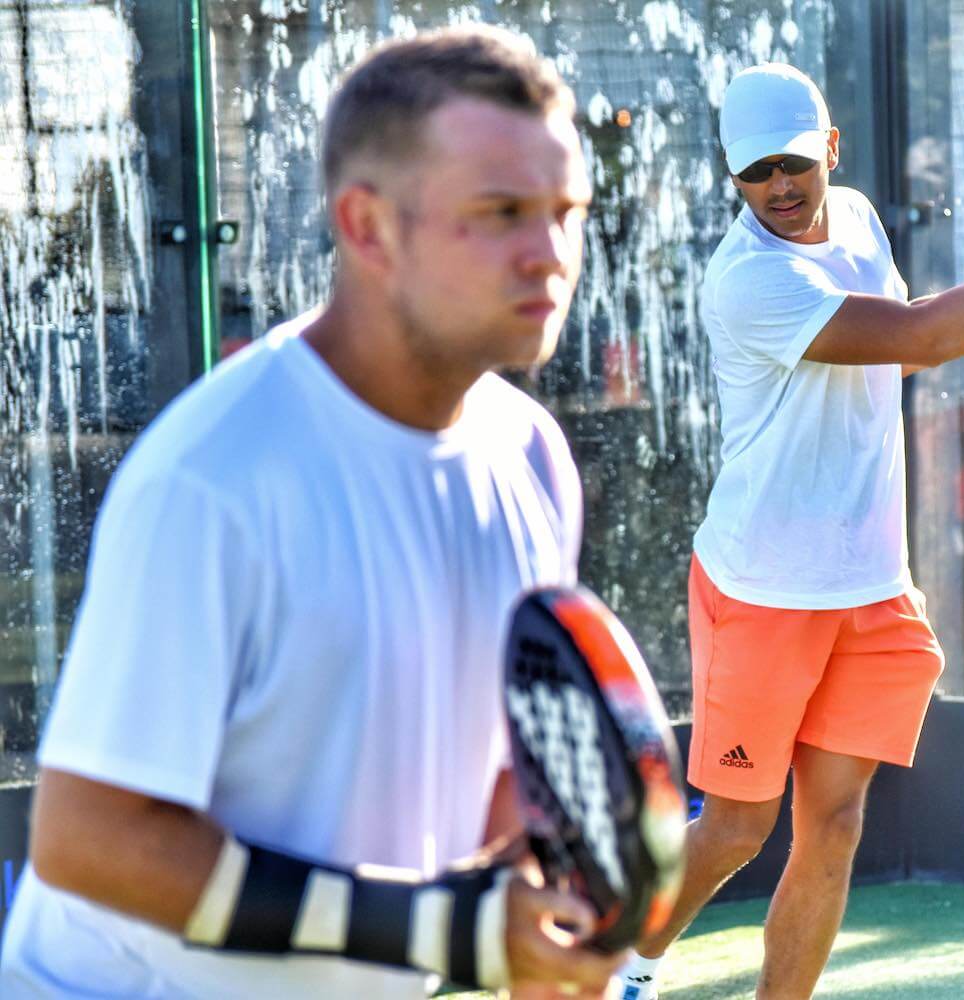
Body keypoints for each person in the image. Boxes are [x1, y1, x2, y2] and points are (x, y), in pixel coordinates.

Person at [0, 26, 622, 999]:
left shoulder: (535, 457)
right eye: (500, 212)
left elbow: (501, 761)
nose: (549, 253)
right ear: (368, 226)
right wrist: (441, 926)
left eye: (566, 211)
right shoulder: (212, 479)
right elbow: (89, 840)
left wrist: (523, 904)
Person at [616, 63, 964, 1000]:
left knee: (838, 822)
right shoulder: (749, 279)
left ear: (831, 149)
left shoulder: (856, 217)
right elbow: (922, 337)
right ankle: (628, 963)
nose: (778, 186)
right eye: (755, 172)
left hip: (868, 587)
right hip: (764, 590)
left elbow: (909, 337)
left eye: (795, 164)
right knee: (739, 829)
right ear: (732, 175)